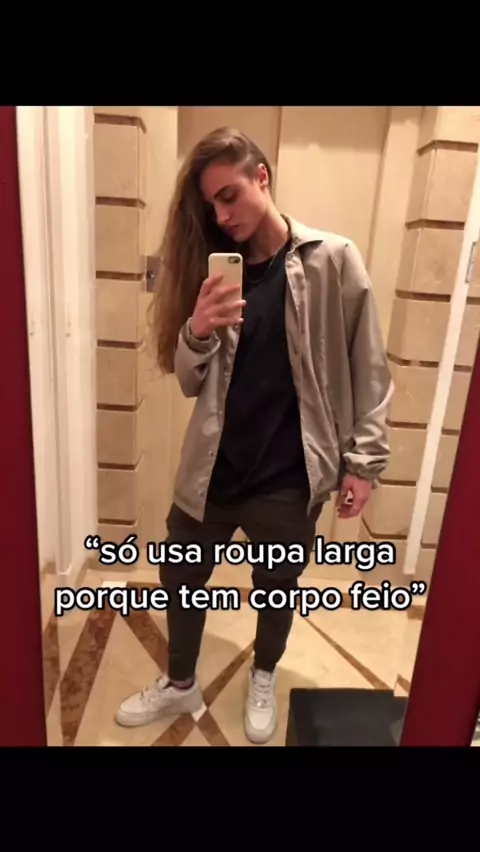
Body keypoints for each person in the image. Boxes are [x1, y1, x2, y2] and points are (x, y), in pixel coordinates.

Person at [115, 126, 393, 744]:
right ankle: (180, 681)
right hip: (212, 469)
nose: (222, 215)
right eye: (211, 205)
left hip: (288, 474)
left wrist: (363, 463)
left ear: (261, 177)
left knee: (276, 585)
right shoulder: (213, 269)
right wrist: (196, 329)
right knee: (181, 576)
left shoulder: (333, 259)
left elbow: (369, 368)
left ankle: (264, 673)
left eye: (230, 196)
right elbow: (190, 381)